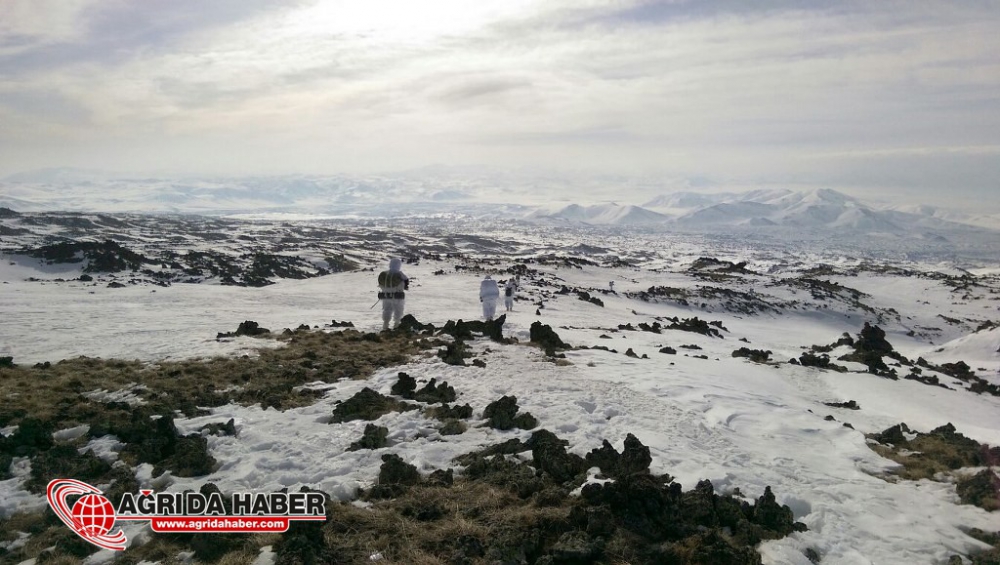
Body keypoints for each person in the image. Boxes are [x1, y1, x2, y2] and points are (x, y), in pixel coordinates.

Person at [377, 257, 409, 330]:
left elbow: (380, 284)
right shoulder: (399, 273)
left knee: (387, 310)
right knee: (398, 311)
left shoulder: (384, 274)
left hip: (386, 296)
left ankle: (385, 324)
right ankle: (396, 325)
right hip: (397, 296)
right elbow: (406, 281)